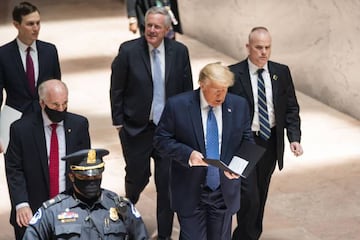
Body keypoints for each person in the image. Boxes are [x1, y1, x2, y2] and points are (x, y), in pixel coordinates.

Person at [110, 6, 193, 239]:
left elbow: (187, 91)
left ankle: (164, 234)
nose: (152, 30)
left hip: (168, 130)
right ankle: (126, 216)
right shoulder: (128, 51)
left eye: (157, 26)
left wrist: (187, 124)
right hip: (137, 128)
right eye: (149, 25)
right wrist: (119, 122)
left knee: (167, 186)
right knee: (137, 177)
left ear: (167, 29)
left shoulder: (179, 52)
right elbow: (117, 87)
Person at [153, 62, 254, 240]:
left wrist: (239, 167)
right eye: (216, 89)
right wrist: (187, 155)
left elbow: (247, 141)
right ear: (202, 84)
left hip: (223, 191)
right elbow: (161, 140)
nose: (221, 95)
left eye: (224, 89)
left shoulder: (239, 106)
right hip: (190, 190)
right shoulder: (178, 106)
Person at [228, 26, 304, 240]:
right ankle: (244, 236)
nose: (263, 52)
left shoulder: (281, 72)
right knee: (248, 194)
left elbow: (291, 107)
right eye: (258, 47)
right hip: (245, 143)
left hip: (270, 141)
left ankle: (251, 234)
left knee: (261, 192)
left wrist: (294, 138)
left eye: (267, 48)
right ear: (248, 47)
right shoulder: (233, 73)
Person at [5, 79, 90, 240]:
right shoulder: (21, 129)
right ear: (42, 103)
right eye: (55, 105)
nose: (61, 109)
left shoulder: (79, 125)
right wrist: (21, 204)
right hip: (34, 208)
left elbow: (84, 165)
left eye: (65, 104)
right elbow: (14, 169)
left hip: (69, 207)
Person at [23, 148, 149, 239]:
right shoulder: (53, 211)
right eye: (85, 178)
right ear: (72, 177)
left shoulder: (120, 207)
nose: (91, 182)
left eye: (96, 177)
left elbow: (141, 235)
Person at [0, 1, 61, 153]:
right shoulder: (3, 55)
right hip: (14, 120)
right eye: (30, 24)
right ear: (16, 25)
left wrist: (61, 120)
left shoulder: (49, 51)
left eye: (38, 23)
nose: (36, 28)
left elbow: (57, 89)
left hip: (44, 119)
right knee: (15, 168)